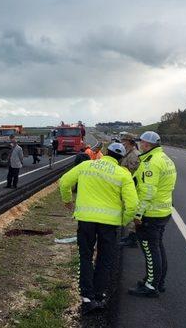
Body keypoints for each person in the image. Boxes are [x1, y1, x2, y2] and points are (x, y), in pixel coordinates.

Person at [59, 142, 139, 315]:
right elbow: (132, 205)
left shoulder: (86, 165)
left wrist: (67, 200)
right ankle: (99, 294)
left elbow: (64, 182)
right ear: (121, 158)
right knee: (105, 258)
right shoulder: (123, 174)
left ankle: (87, 297)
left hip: (86, 220)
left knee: (85, 256)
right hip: (110, 224)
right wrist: (123, 221)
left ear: (104, 152)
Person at [128, 131, 177, 298]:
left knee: (150, 250)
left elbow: (148, 191)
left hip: (151, 213)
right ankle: (158, 281)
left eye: (141, 142)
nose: (139, 145)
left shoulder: (151, 163)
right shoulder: (165, 159)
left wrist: (138, 214)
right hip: (163, 211)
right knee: (158, 248)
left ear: (147, 145)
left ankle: (150, 286)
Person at [118, 133, 141, 248]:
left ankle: (133, 238)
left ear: (130, 142)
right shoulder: (128, 153)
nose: (123, 143)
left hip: (131, 186)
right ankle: (130, 235)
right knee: (128, 210)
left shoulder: (134, 155)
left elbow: (132, 172)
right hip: (127, 185)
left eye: (124, 141)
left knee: (132, 211)